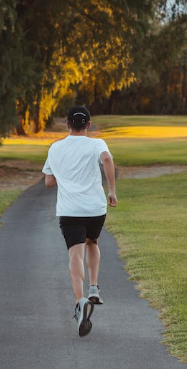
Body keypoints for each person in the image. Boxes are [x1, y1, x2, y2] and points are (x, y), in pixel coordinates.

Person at [42, 106, 117, 337]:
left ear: (67, 124)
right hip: (95, 208)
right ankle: (94, 286)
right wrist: (112, 191)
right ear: (89, 124)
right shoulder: (97, 144)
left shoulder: (55, 148)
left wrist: (64, 175)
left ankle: (80, 301)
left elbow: (48, 182)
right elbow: (106, 158)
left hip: (70, 210)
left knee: (75, 253)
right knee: (92, 241)